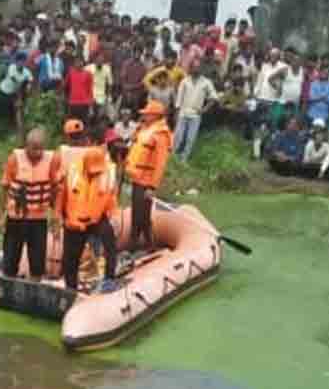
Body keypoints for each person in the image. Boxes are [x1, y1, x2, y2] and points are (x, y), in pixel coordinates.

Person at [0, 128, 61, 280]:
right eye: (34, 148)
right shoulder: (14, 159)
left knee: (37, 264)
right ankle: (8, 284)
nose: (38, 152)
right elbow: (4, 188)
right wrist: (0, 216)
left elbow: (55, 189)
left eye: (41, 148)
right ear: (27, 146)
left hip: (38, 219)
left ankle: (35, 286)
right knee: (10, 260)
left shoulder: (52, 160)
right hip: (16, 218)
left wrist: (56, 216)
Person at [59, 147, 119, 292]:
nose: (95, 173)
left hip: (97, 218)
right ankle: (71, 288)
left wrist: (112, 216)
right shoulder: (72, 172)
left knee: (110, 244)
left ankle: (109, 279)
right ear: (84, 164)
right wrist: (60, 217)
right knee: (70, 258)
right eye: (92, 171)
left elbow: (111, 197)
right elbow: (61, 196)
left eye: (97, 171)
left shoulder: (108, 174)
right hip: (74, 221)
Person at [124, 99, 173, 250]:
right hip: (137, 178)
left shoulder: (161, 134)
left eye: (147, 114)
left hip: (146, 181)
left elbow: (160, 163)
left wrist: (152, 186)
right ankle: (147, 245)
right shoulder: (144, 129)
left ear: (155, 116)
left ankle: (136, 244)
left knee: (140, 215)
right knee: (140, 213)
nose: (144, 116)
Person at [172, 61, 219, 164]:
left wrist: (204, 109)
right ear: (190, 68)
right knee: (178, 136)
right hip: (183, 112)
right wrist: (177, 112)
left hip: (196, 115)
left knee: (190, 139)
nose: (196, 69)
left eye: (198, 67)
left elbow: (214, 97)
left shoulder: (206, 82)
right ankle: (173, 157)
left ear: (201, 69)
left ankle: (183, 159)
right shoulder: (185, 81)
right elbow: (179, 98)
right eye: (194, 67)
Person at [62, 53, 95, 123]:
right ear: (74, 63)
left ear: (83, 63)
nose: (79, 63)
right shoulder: (70, 73)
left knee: (83, 123)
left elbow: (90, 89)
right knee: (73, 123)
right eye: (77, 61)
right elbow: (65, 86)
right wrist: (66, 99)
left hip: (84, 103)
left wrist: (90, 103)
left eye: (80, 61)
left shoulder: (88, 74)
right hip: (73, 103)